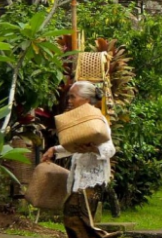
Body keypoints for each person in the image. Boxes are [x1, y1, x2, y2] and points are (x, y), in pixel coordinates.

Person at [42, 82, 119, 238]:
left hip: (91, 181)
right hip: (81, 180)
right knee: (78, 219)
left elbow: (110, 149)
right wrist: (54, 150)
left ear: (85, 99)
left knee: (74, 217)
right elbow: (73, 144)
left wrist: (93, 149)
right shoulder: (82, 120)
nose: (69, 100)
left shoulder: (97, 120)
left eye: (72, 96)